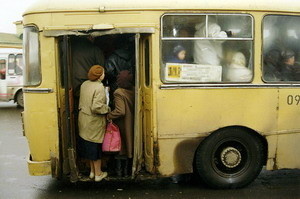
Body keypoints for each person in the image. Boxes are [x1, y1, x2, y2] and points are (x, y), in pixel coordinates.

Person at [78, 65, 110, 182]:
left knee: (88, 146)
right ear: (99, 76)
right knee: (95, 148)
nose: (104, 75)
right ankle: (98, 174)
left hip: (83, 120)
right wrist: (107, 109)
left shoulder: (84, 84)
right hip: (94, 122)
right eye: (103, 73)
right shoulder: (99, 87)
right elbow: (97, 107)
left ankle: (92, 172)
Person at [107, 70, 135, 177]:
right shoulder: (133, 89)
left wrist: (108, 116)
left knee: (121, 148)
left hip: (123, 124)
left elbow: (120, 111)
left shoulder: (119, 92)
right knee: (129, 147)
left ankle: (120, 173)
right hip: (131, 123)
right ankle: (128, 172)